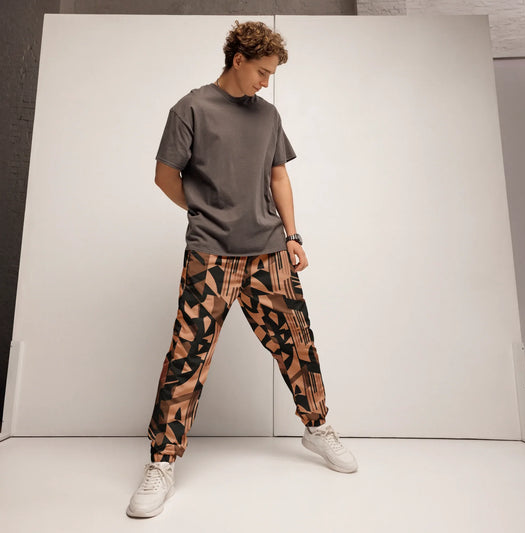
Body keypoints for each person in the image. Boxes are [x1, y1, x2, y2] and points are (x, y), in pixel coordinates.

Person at [126, 20, 357, 519]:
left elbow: (279, 176)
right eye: (262, 72)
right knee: (187, 356)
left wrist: (293, 236)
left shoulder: (268, 115)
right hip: (210, 255)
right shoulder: (190, 109)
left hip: (269, 253)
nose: (266, 83)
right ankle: (162, 463)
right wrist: (203, 210)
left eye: (271, 74)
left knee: (298, 344)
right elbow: (165, 175)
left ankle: (317, 427)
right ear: (238, 60)